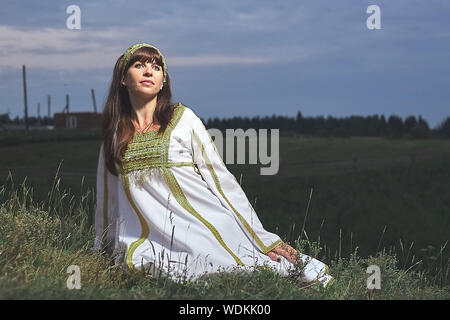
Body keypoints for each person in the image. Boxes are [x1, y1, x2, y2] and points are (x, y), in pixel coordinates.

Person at [94, 43, 334, 287]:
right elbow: (108, 200)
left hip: (205, 226)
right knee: (178, 276)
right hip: (150, 241)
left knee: (257, 272)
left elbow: (221, 180)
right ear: (123, 78)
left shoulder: (183, 120)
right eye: (139, 65)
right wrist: (100, 250)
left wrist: (262, 237)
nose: (148, 72)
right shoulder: (114, 136)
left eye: (156, 67)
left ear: (163, 80)